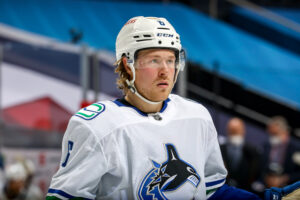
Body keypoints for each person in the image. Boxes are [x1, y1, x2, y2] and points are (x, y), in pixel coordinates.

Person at [46, 16, 300, 200]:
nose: (166, 70)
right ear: (127, 64)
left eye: (171, 60)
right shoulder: (96, 125)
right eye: (154, 60)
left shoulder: (197, 116)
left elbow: (210, 191)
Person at [220, 117, 260, 191]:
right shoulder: (220, 149)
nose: (234, 134)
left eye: (236, 131)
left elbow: (255, 173)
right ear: (227, 130)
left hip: (243, 190)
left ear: (243, 131)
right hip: (223, 188)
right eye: (232, 131)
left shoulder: (252, 152)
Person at [261, 116, 300, 188]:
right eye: (270, 134)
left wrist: (284, 179)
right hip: (265, 185)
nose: (272, 138)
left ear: (284, 132)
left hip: (286, 188)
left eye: (275, 134)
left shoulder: (295, 149)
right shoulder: (267, 145)